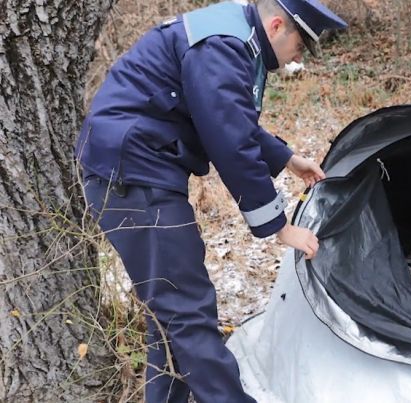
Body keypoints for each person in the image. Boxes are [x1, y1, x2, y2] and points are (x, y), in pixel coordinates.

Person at [75, 0, 347, 401]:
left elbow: (228, 117)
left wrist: (286, 159)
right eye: (300, 47)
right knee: (187, 311)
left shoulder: (232, 34)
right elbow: (229, 140)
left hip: (133, 170)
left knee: (169, 314)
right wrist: (280, 226)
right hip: (134, 176)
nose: (296, 58)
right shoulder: (223, 44)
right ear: (277, 26)